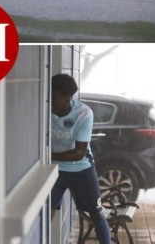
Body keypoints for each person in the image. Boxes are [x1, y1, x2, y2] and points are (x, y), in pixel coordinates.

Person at [50, 74, 111, 244]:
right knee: (47, 210)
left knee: (96, 213)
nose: (49, 99)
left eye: (53, 96)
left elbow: (79, 153)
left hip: (81, 170)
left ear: (67, 97)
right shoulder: (43, 109)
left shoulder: (83, 113)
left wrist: (48, 155)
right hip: (54, 171)